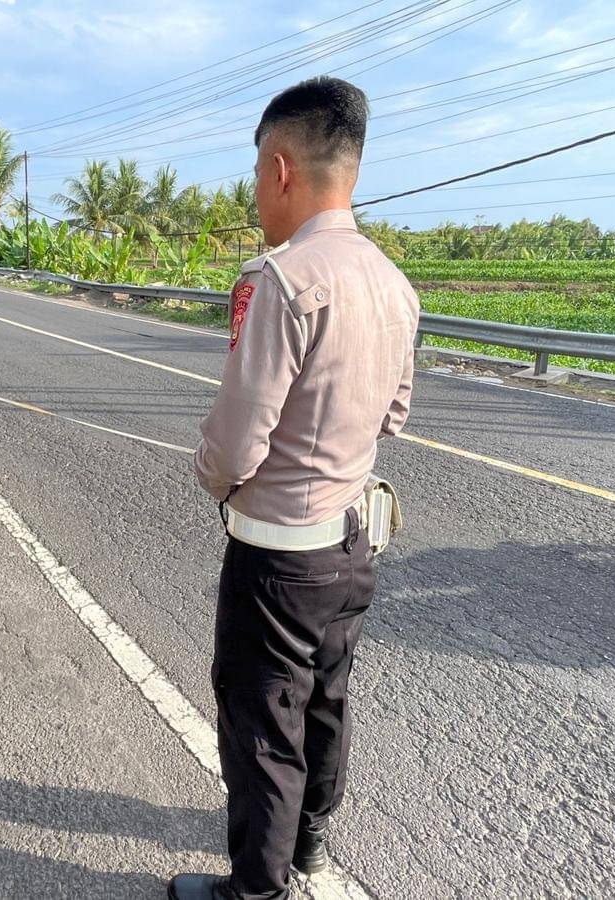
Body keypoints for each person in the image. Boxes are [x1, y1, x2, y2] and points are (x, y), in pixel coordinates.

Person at [170, 78, 420, 900]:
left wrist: (212, 477)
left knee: (261, 727)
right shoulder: (395, 283)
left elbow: (237, 442)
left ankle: (257, 890)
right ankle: (309, 839)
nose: (254, 194)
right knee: (325, 700)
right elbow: (396, 412)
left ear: (280, 170)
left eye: (253, 175)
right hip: (355, 543)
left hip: (280, 555)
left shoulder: (282, 280)